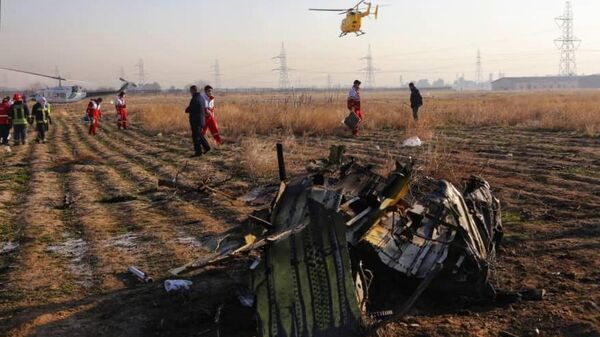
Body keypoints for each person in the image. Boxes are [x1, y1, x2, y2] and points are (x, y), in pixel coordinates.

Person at [185, 85, 210, 157]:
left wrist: (187, 110)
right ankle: (206, 147)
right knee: (198, 135)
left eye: (190, 91)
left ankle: (198, 152)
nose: (190, 93)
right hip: (201, 120)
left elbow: (190, 109)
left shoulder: (194, 99)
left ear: (193, 90)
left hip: (196, 121)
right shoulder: (201, 98)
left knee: (195, 136)